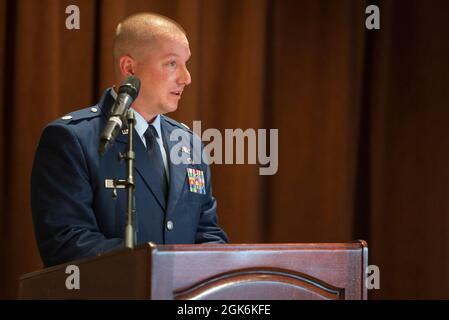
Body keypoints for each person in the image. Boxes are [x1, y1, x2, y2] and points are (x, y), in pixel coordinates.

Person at [31, 13, 228, 268]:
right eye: (171, 64)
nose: (186, 77)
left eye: (186, 63)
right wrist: (157, 264)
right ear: (129, 68)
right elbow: (67, 242)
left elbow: (208, 234)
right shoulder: (71, 139)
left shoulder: (187, 143)